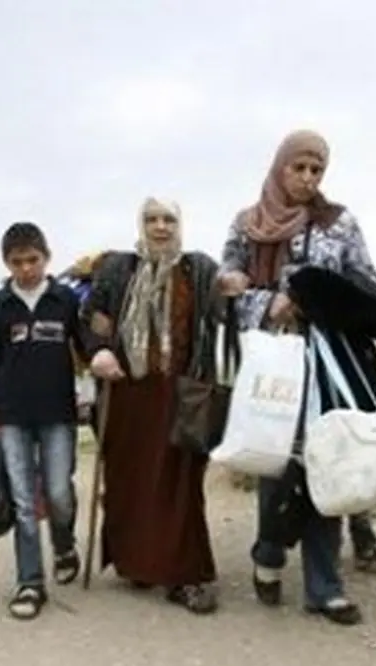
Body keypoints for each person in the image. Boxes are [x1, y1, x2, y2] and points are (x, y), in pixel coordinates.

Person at [217, 129, 376, 625]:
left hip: (331, 360)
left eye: (317, 170)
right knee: (278, 463)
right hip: (275, 359)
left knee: (327, 462)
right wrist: (266, 302)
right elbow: (227, 290)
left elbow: (365, 281)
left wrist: (333, 301)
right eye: (300, 168)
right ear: (281, 168)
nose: (308, 178)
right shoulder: (247, 225)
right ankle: (269, 552)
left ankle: (325, 587)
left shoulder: (340, 223)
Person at [83, 197, 223, 614]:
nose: (160, 227)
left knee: (180, 486)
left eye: (168, 220)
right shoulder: (118, 269)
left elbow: (222, 315)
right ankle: (137, 563)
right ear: (141, 225)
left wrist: (235, 291)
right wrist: (99, 350)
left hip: (181, 395)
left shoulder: (198, 269)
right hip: (127, 394)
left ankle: (184, 575)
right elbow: (93, 316)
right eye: (151, 219)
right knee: (130, 481)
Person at [0, 222, 95, 620]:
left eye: (33, 260)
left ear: (47, 257)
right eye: (17, 262)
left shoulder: (65, 300)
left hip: (58, 413)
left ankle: (64, 545)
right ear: (6, 263)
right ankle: (30, 582)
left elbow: (85, 346)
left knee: (58, 493)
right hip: (12, 416)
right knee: (24, 501)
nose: (26, 269)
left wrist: (102, 352)